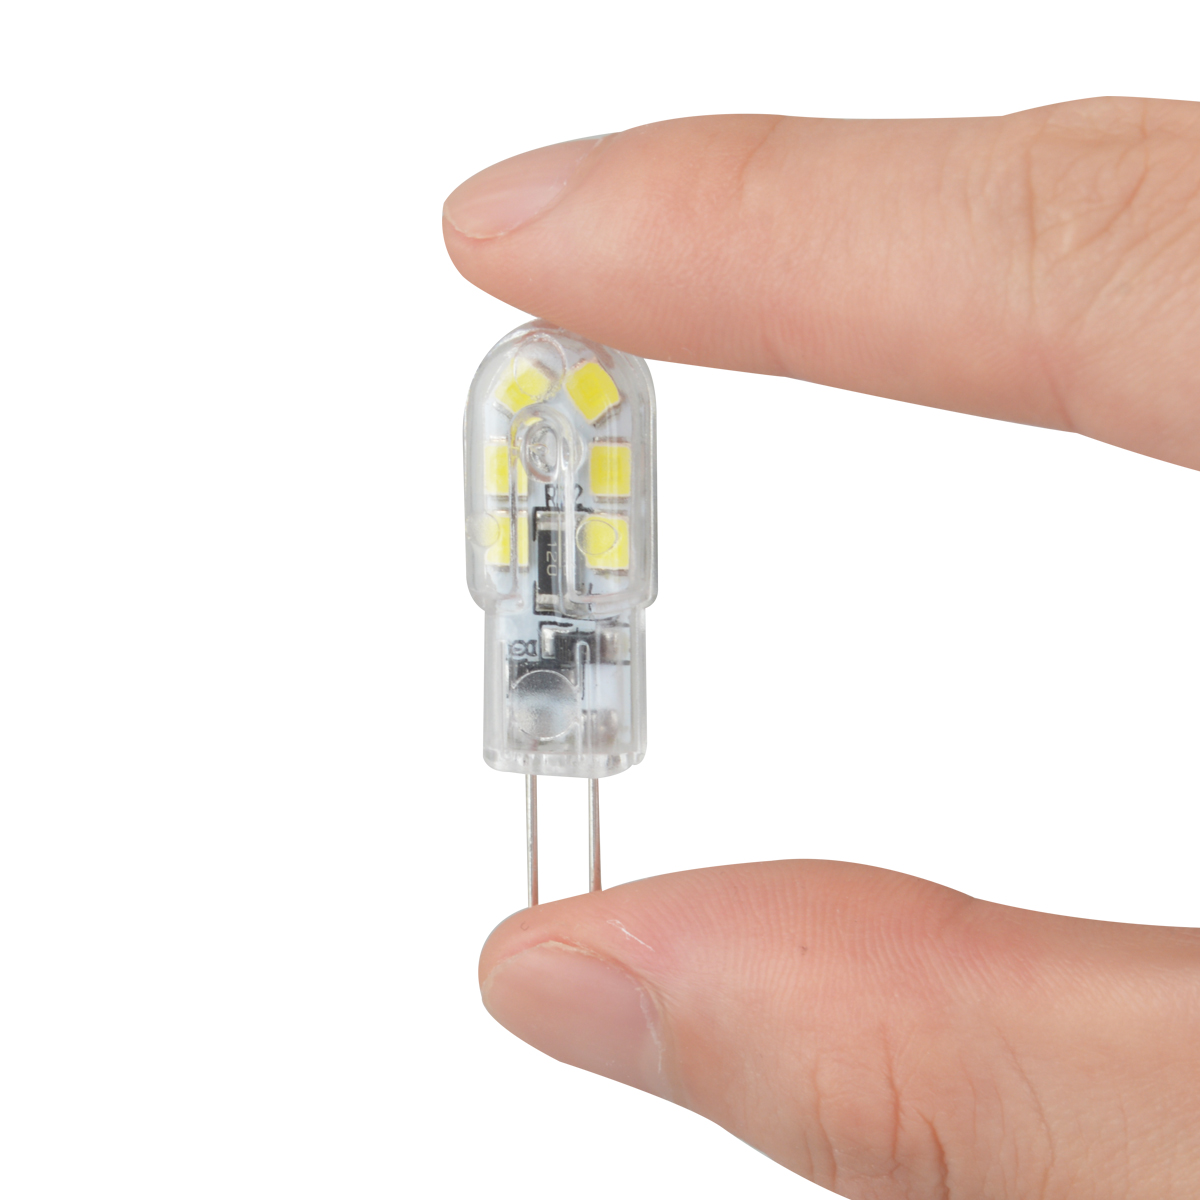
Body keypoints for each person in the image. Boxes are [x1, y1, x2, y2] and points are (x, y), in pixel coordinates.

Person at [442, 98, 1200, 1199]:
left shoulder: (564, 400)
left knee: (570, 678)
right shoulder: (543, 406)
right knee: (558, 677)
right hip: (552, 623)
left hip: (579, 620)